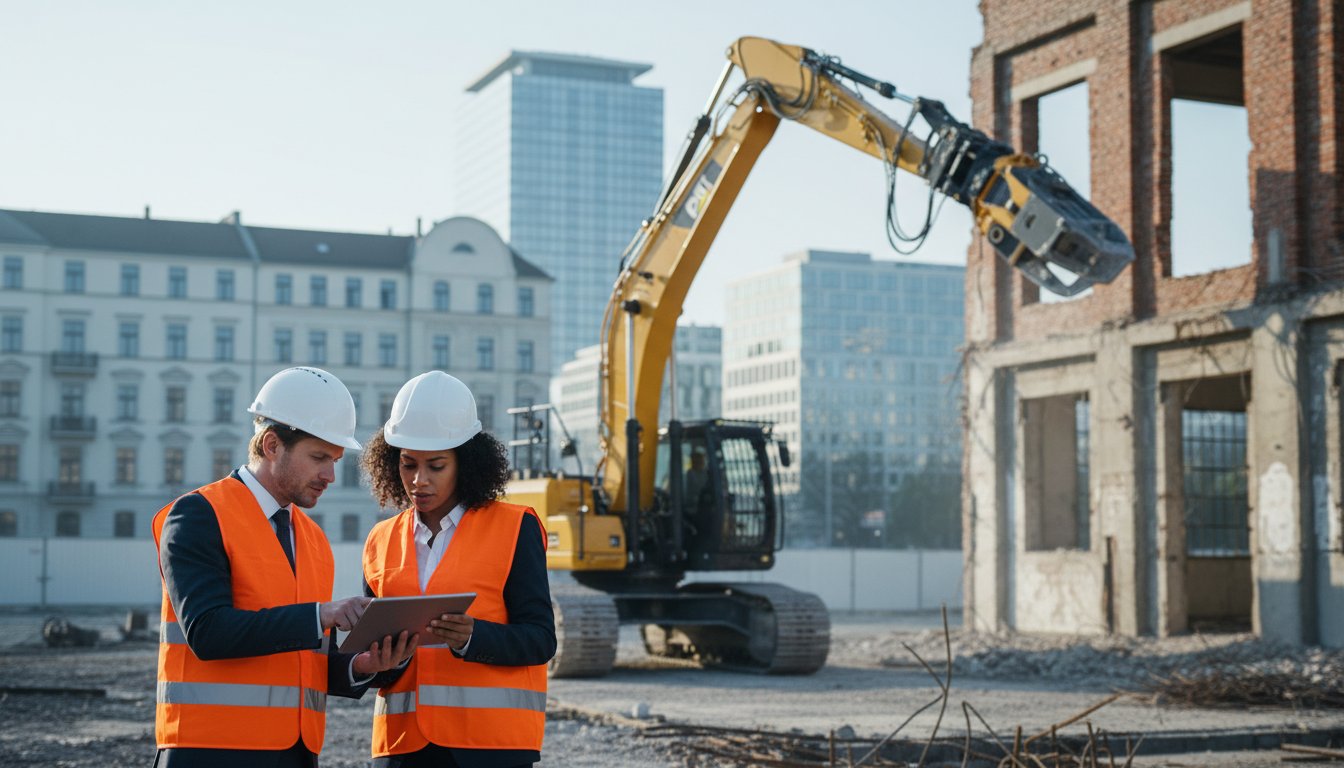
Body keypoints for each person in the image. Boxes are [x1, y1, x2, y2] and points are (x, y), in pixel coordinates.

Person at [152, 366, 416, 768]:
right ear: (272, 445)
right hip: (210, 751)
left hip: (294, 754)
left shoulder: (312, 540)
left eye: (336, 460)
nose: (330, 475)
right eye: (319, 458)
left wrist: (364, 665)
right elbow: (207, 633)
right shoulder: (198, 515)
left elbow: (304, 661)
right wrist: (322, 614)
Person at [360, 371, 556, 768]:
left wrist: (473, 638)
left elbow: (540, 640)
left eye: (436, 466)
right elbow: (368, 656)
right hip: (401, 747)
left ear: (465, 464)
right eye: (408, 464)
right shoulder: (379, 540)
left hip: (490, 747)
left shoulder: (515, 528)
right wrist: (382, 659)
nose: (419, 480)